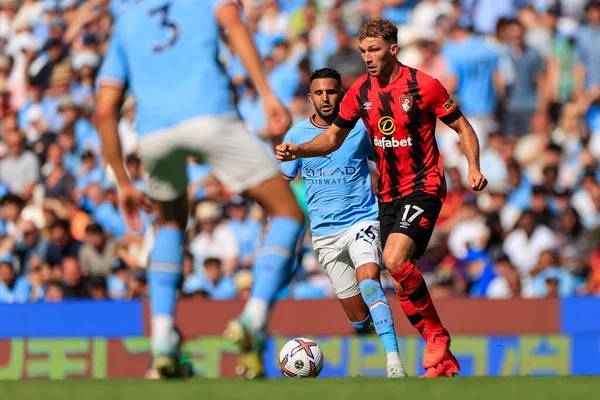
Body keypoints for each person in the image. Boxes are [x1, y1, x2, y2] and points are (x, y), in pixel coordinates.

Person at [95, 0, 304, 379]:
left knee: (171, 224)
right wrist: (266, 92)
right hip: (212, 117)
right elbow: (236, 26)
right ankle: (254, 318)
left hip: (154, 134)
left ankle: (161, 343)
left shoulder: (126, 19)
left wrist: (123, 182)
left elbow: (104, 109)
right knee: (287, 211)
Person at [276, 19, 488, 377]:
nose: (368, 58)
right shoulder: (359, 92)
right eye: (362, 51)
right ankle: (442, 359)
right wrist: (298, 149)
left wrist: (473, 166)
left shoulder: (425, 86)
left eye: (374, 50)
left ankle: (435, 338)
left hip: (424, 184)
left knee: (392, 258)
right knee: (398, 271)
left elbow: (463, 127)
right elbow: (331, 139)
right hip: (388, 195)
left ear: (393, 49)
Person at [279, 67, 406, 378]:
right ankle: (365, 334)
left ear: (342, 94)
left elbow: (390, 161)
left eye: (331, 91)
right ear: (310, 97)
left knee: (369, 281)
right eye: (319, 93)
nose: (325, 98)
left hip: (362, 221)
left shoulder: (361, 129)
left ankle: (394, 363)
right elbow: (282, 185)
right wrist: (275, 223)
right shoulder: (296, 136)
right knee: (358, 315)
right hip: (324, 236)